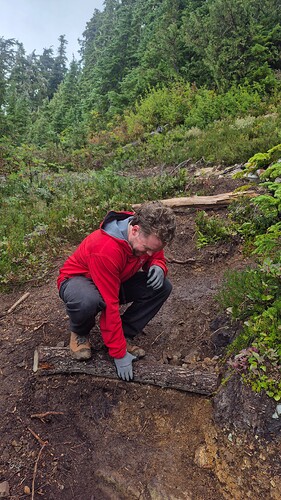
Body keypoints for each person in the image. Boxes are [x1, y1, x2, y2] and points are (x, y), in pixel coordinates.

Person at [57, 201, 176, 381]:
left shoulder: (147, 232)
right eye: (147, 249)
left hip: (115, 279)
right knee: (87, 301)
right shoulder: (105, 248)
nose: (149, 254)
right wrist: (118, 354)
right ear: (134, 230)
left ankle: (125, 334)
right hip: (78, 282)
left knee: (162, 287)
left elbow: (155, 253)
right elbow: (110, 305)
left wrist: (158, 265)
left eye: (155, 249)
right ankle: (80, 332)